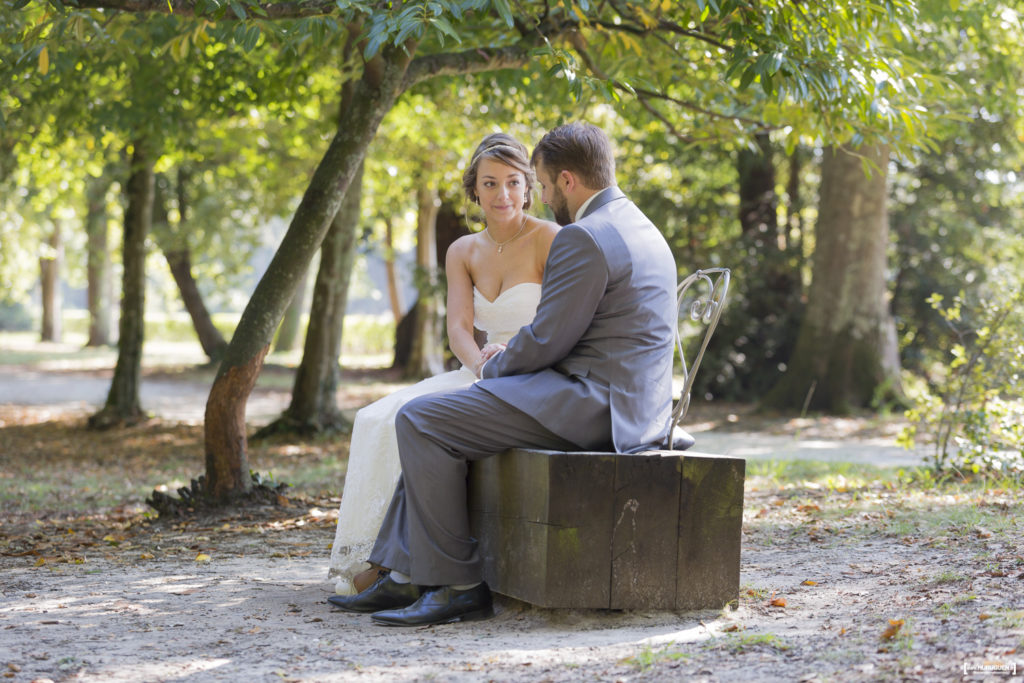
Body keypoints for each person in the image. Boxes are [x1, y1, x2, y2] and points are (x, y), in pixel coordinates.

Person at [327, 122, 678, 626]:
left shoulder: (583, 236)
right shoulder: (637, 224)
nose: (539, 195)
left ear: (566, 180)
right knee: (436, 412)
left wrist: (492, 370)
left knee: (423, 420)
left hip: (594, 404)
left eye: (538, 181)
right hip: (623, 398)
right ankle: (403, 576)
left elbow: (547, 338)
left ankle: (458, 586)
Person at [328, 133, 559, 595]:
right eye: (490, 184)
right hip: (478, 369)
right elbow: (458, 327)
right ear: (474, 189)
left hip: (530, 369)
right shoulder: (463, 251)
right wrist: (479, 368)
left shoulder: (550, 239)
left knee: (417, 424)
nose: (503, 195)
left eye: (514, 183)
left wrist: (505, 367)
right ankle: (382, 561)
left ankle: (403, 569)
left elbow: (558, 322)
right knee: (378, 417)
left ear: (529, 187)